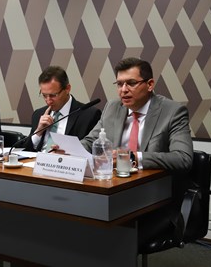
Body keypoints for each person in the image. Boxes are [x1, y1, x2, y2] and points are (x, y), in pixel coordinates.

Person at [80, 57, 193, 247]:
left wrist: (132, 157)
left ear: (149, 84)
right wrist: (66, 149)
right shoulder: (112, 107)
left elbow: (183, 159)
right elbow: (91, 141)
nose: (123, 90)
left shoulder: (173, 111)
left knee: (104, 234)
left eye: (131, 83)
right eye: (120, 84)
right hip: (111, 188)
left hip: (152, 198)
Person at [25, 66, 101, 152]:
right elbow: (26, 151)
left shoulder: (89, 115)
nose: (48, 101)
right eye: (44, 95)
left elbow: (93, 150)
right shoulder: (38, 114)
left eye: (53, 95)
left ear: (67, 89)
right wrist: (38, 132)